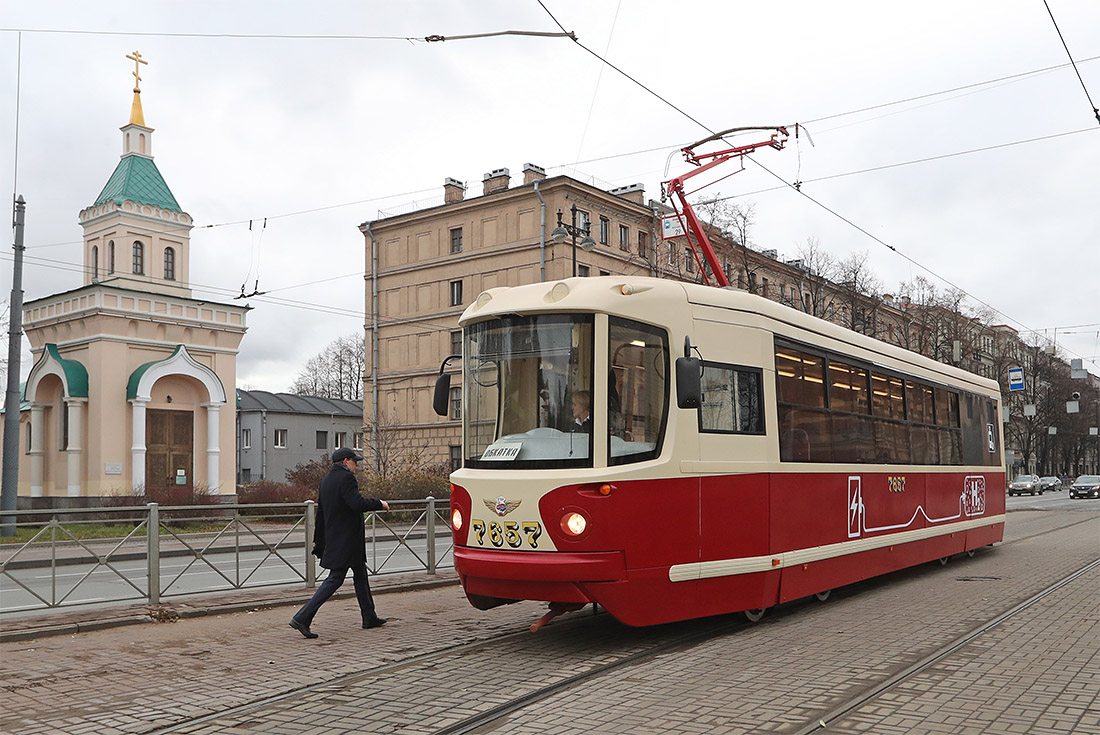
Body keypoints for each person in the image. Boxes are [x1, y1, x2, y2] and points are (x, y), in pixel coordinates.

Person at [289, 448, 390, 639]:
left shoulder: (326, 480)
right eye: (354, 461)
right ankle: (302, 617)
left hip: (337, 538)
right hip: (347, 540)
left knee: (360, 574)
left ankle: (369, 616)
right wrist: (379, 503)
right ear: (345, 461)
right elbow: (356, 504)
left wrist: (320, 541)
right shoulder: (346, 478)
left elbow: (321, 513)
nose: (356, 465)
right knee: (335, 578)